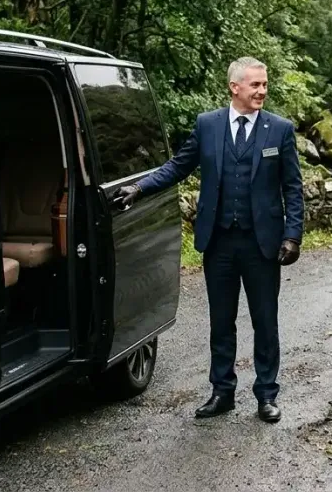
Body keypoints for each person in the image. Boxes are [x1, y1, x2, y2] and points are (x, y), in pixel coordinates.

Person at [114, 57, 304, 423]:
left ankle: (266, 395)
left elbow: (292, 188)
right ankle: (222, 392)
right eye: (256, 85)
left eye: (265, 85)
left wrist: (292, 235)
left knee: (265, 320)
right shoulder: (208, 125)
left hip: (262, 243)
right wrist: (138, 188)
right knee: (221, 320)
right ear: (235, 87)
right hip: (218, 242)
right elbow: (177, 167)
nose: (263, 91)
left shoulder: (279, 130)